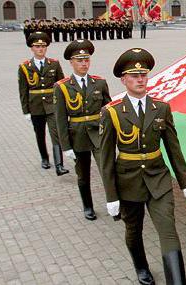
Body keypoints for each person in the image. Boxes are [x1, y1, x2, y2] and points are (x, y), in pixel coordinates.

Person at [99, 48, 186, 285]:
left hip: (158, 178)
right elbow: (106, 158)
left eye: (143, 74)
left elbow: (173, 147)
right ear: (124, 80)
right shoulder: (111, 112)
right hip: (128, 181)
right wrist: (111, 197)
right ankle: (141, 266)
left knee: (168, 229)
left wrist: (185, 181)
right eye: (134, 75)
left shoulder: (161, 108)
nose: (140, 79)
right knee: (134, 230)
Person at [55, 39, 111, 221]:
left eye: (86, 60)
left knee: (107, 170)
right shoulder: (61, 87)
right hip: (77, 135)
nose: (83, 64)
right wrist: (66, 146)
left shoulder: (99, 83)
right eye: (79, 60)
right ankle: (88, 206)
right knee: (83, 174)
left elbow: (109, 110)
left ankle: (114, 203)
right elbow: (60, 119)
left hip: (99, 134)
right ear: (71, 62)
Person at [18, 31, 70, 176]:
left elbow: (61, 86)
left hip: (52, 105)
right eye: (37, 46)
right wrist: (26, 111)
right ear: (32, 48)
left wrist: (65, 105)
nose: (40, 49)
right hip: (35, 106)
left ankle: (59, 164)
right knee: (39, 134)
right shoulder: (24, 67)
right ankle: (44, 158)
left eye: (43, 46)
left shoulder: (54, 63)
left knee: (56, 133)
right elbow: (23, 90)